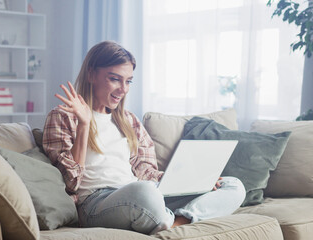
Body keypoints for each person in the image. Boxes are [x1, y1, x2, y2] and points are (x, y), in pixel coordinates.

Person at [43, 40, 246, 235]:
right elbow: (70, 183)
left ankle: (176, 223)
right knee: (144, 193)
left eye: (128, 81)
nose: (123, 89)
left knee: (233, 186)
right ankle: (167, 219)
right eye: (114, 79)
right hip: (96, 203)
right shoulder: (62, 116)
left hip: (141, 192)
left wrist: (194, 181)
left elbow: (147, 173)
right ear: (91, 74)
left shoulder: (128, 120)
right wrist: (84, 124)